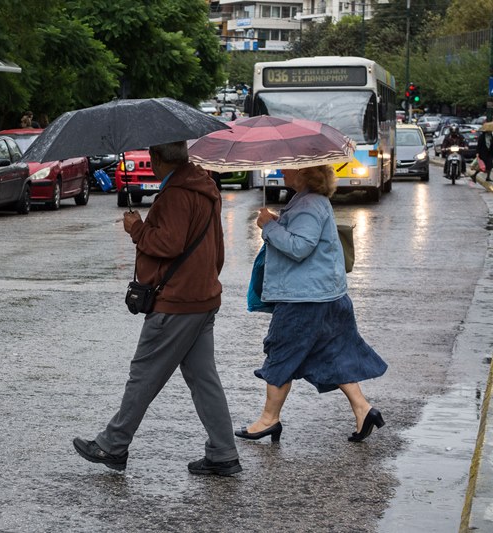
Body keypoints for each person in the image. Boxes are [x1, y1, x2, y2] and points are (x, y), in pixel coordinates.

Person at [73, 141, 241, 476]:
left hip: (177, 302)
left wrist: (137, 228)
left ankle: (113, 444)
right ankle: (223, 453)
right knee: (204, 379)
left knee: (144, 374)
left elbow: (169, 243)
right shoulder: (205, 186)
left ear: (158, 158)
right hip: (202, 296)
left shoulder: (177, 193)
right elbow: (216, 249)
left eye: (151, 157)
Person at [237, 165, 387, 444]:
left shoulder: (308, 204)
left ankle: (269, 420)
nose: (282, 171)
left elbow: (299, 247)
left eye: (289, 168)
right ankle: (363, 409)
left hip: (304, 298)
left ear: (304, 175)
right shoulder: (312, 201)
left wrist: (268, 226)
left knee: (281, 351)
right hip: (326, 294)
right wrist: (277, 221)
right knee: (332, 352)